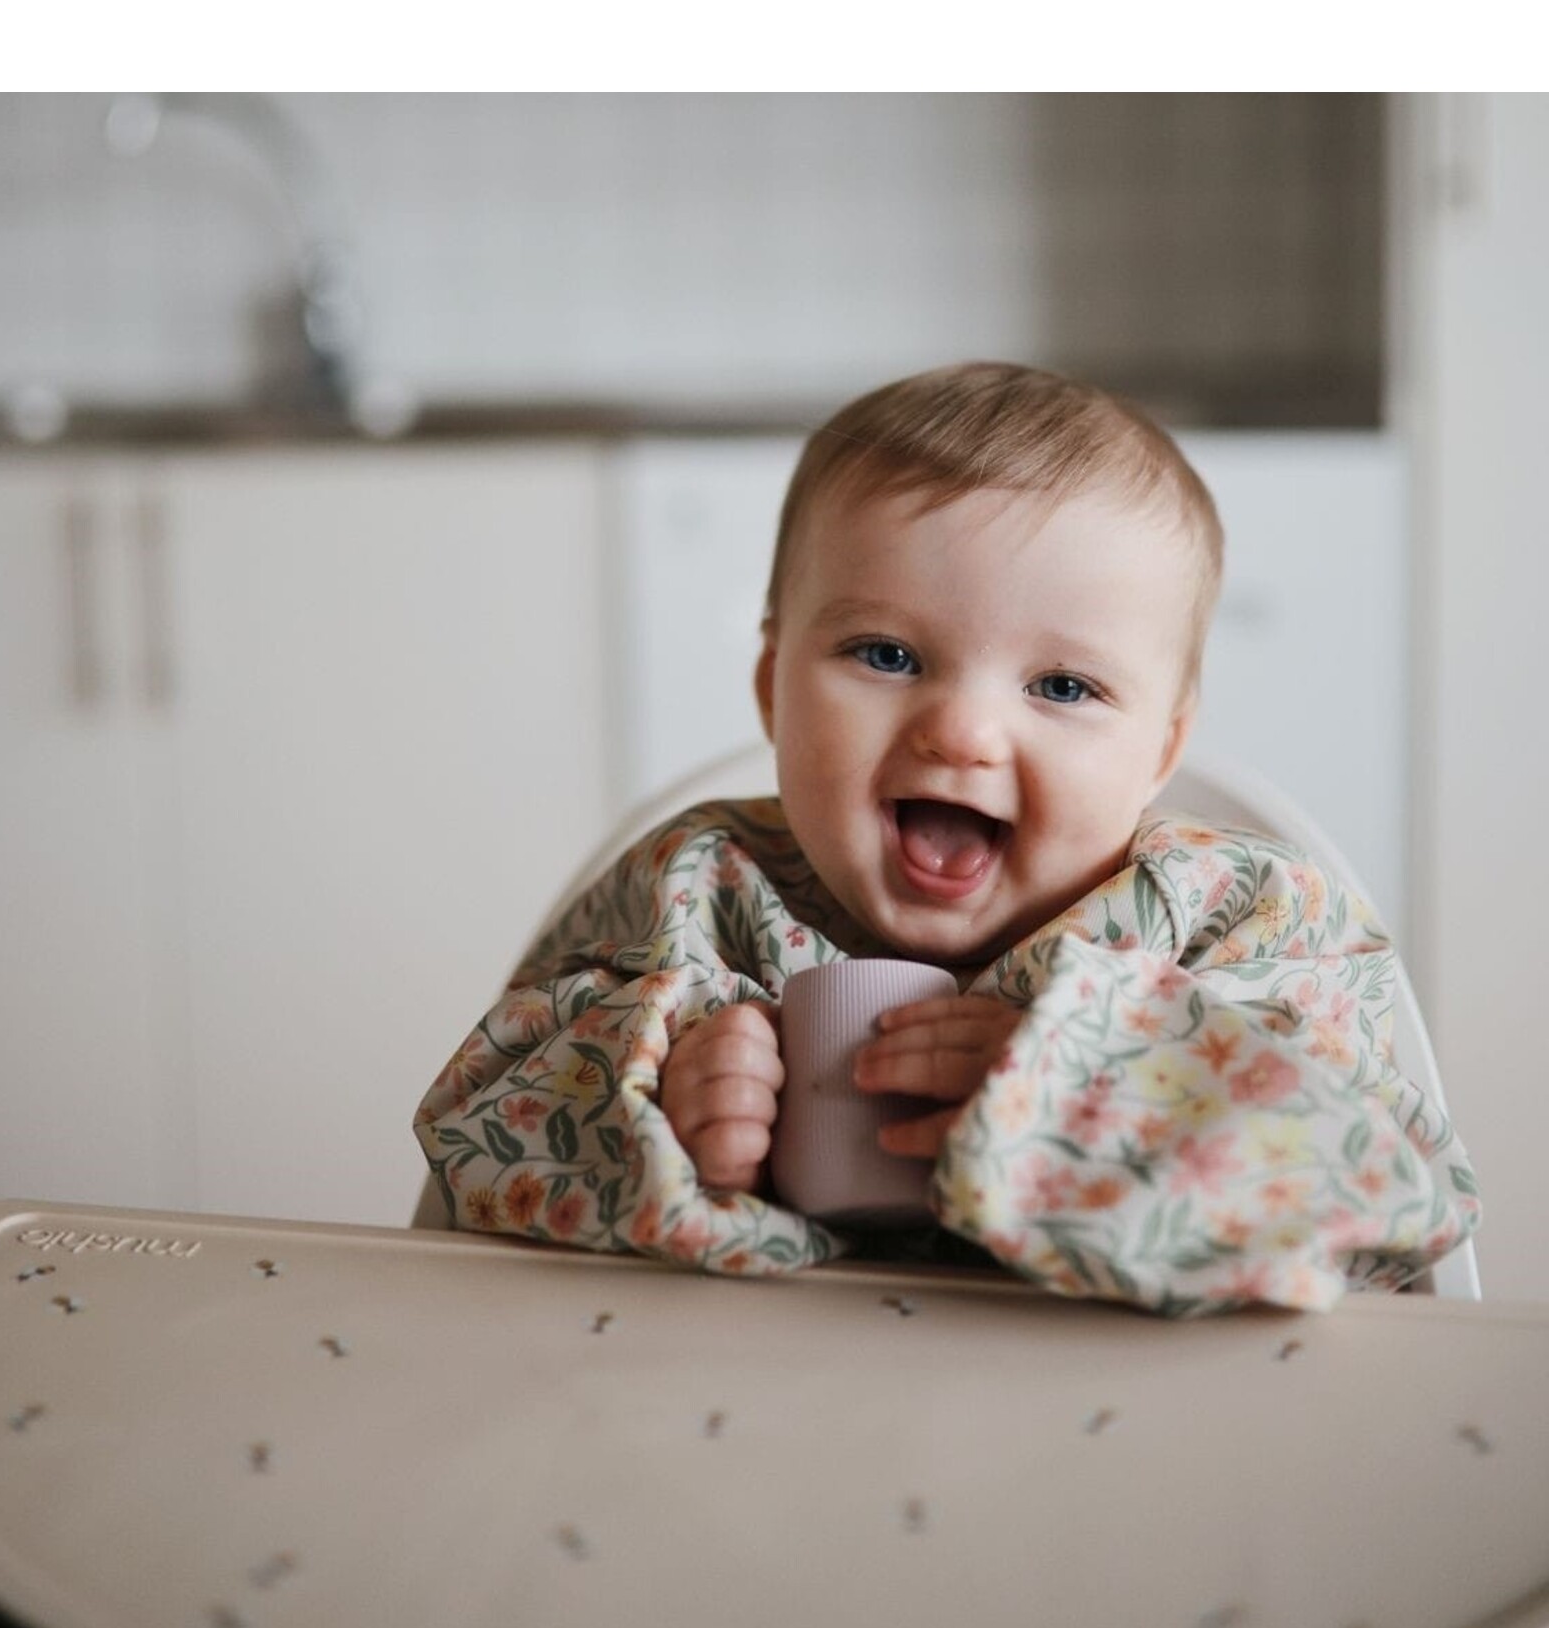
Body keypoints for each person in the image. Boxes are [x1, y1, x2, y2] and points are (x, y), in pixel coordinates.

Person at [415, 363, 1480, 1313]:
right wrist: (652, 1102)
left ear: (1159, 750)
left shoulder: (1235, 921)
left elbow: (1390, 1201)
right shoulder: (697, 891)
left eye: (1061, 686)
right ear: (768, 690)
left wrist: (1097, 1077)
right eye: (884, 655)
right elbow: (470, 1158)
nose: (961, 732)